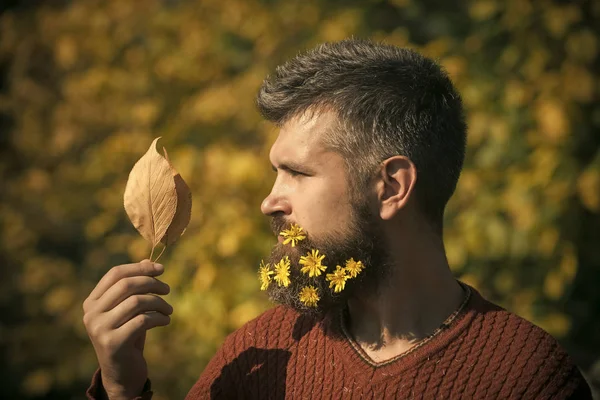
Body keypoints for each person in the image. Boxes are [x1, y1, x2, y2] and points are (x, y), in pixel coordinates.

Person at [84, 39, 592, 399]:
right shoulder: (260, 353)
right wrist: (121, 388)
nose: (269, 201)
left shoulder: (526, 377)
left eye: (297, 173)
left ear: (392, 186)